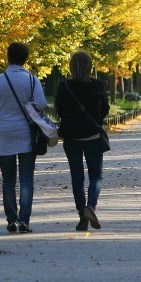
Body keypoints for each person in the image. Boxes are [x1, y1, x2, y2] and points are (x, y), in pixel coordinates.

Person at [0, 42, 46, 233]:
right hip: (26, 134)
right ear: (26, 59)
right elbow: (41, 104)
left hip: (4, 133)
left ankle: (11, 218)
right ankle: (24, 219)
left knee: (8, 179)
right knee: (26, 179)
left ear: (7, 57)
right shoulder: (32, 80)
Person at [55, 51, 110, 231]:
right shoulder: (99, 86)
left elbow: (59, 110)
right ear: (90, 66)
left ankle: (82, 217)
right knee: (95, 176)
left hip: (72, 138)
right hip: (92, 136)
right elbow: (105, 110)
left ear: (71, 66)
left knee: (77, 177)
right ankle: (90, 207)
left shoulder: (64, 86)